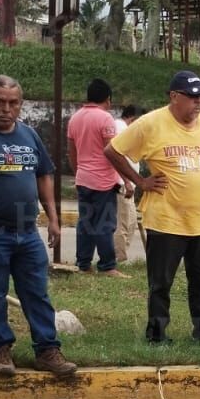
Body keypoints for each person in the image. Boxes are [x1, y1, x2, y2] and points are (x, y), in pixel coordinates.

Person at [0, 75, 77, 378]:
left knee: (37, 292)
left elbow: (44, 176)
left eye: (13, 103)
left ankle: (47, 349)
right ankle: (0, 348)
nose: (6, 109)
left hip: (28, 232)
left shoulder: (30, 135)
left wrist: (53, 218)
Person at [105, 71, 200, 344]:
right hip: (165, 220)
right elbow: (113, 151)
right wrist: (139, 181)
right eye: (192, 97)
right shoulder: (150, 124)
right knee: (161, 284)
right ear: (174, 97)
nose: (198, 103)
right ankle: (157, 336)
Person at [66, 78, 127, 277]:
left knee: (86, 222)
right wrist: (126, 180)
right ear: (107, 99)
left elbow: (71, 152)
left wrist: (78, 173)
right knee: (104, 223)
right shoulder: (105, 118)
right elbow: (112, 152)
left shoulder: (75, 118)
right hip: (103, 180)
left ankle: (83, 264)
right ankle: (108, 266)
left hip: (83, 178)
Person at [111, 104, 147, 263]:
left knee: (129, 222)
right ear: (133, 119)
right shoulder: (121, 129)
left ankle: (119, 257)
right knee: (124, 224)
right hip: (122, 184)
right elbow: (115, 156)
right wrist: (126, 181)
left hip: (126, 184)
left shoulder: (123, 128)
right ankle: (118, 259)